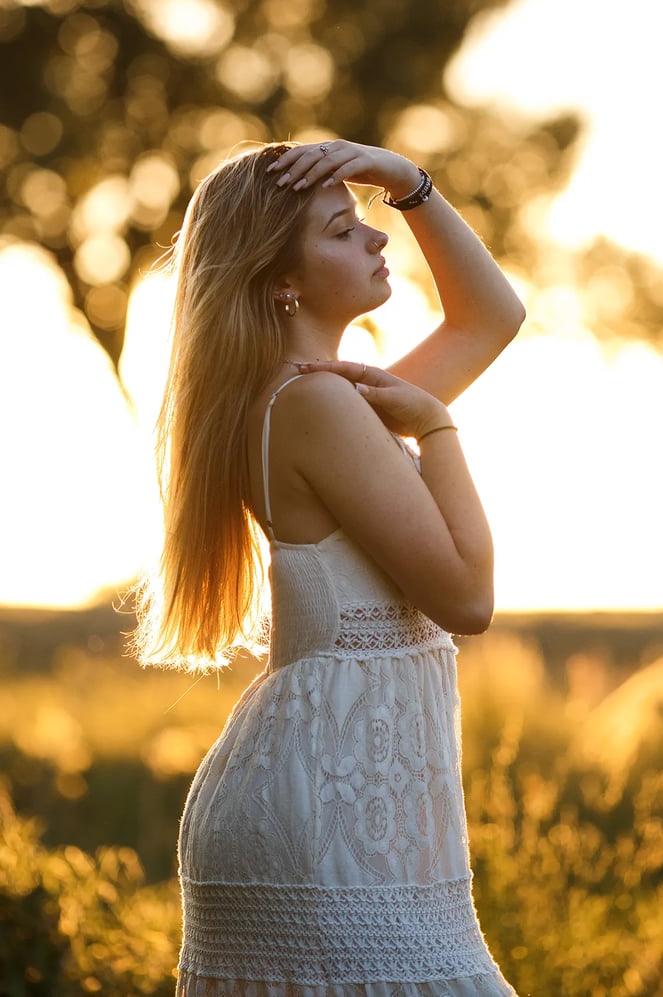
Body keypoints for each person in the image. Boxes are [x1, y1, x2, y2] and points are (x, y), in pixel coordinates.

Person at [135, 138, 526, 995]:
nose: (376, 239)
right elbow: (467, 595)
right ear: (283, 279)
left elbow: (491, 318)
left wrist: (406, 183)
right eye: (344, 230)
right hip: (332, 807)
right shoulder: (316, 404)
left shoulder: (310, 396)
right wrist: (438, 430)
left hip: (319, 787)